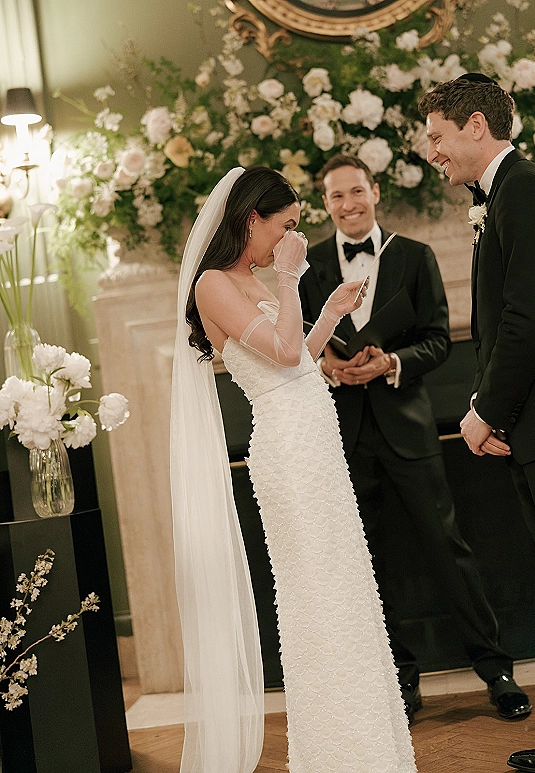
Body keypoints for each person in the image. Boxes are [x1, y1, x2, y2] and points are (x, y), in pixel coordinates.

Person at [170, 165, 416, 773]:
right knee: (315, 594)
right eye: (284, 227)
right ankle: (336, 753)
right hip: (287, 450)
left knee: (346, 589)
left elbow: (300, 359)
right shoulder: (212, 285)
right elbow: (279, 354)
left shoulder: (254, 277)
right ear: (252, 219)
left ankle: (366, 744)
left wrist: (327, 311)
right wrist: (288, 279)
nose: (291, 239)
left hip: (317, 445)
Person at [299, 153, 531, 724]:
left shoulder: (415, 256)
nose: (348, 204)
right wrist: (328, 367)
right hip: (344, 438)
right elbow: (299, 345)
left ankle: (496, 671)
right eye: (336, 197)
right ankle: (398, 680)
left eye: (357, 191)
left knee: (448, 551)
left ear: (375, 191)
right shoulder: (307, 273)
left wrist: (391, 363)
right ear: (324, 205)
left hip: (409, 429)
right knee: (368, 562)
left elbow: (438, 341)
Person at [419, 73, 535, 773]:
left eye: (437, 136)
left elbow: (529, 319)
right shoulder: (507, 197)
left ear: (475, 126)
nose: (432, 152)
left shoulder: (527, 193)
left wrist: (484, 408)